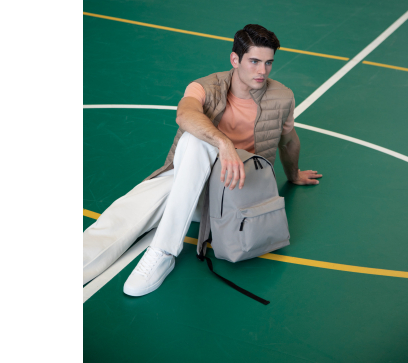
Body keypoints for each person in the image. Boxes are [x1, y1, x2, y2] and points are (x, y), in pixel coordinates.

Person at [83, 24, 322, 296]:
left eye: (268, 63)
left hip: (236, 191)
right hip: (193, 182)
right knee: (145, 193)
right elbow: (185, 115)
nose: (262, 71)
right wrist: (223, 143)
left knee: (183, 161)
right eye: (254, 61)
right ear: (235, 59)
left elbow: (288, 140)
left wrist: (293, 174)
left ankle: (163, 251)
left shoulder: (282, 96)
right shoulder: (205, 87)